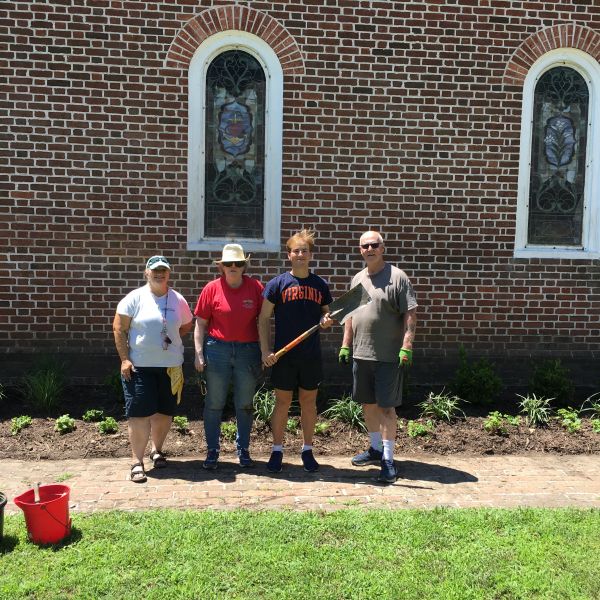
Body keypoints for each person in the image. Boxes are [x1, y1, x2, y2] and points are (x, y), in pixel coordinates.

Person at [339, 231, 417, 483]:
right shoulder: (358, 279)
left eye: (375, 244)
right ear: (360, 250)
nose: (370, 249)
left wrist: (407, 345)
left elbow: (410, 315)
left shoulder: (397, 277)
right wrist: (345, 345)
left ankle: (388, 459)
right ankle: (374, 448)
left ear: (382, 248)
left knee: (386, 408)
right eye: (365, 246)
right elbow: (349, 315)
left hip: (387, 356)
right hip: (361, 354)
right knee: (368, 404)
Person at [113, 255, 193, 483]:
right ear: (146, 272)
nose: (159, 274)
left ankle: (157, 450)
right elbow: (119, 329)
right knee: (138, 415)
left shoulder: (178, 300)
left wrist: (170, 343)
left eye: (163, 270)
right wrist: (124, 359)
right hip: (139, 367)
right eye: (155, 270)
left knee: (164, 413)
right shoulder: (134, 298)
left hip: (171, 368)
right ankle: (137, 461)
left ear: (169, 273)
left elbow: (186, 325)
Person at [259, 229, 333, 473]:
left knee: (308, 403)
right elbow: (263, 318)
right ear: (288, 254)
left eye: (305, 250)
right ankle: (277, 450)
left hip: (310, 356)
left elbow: (327, 314)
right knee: (282, 403)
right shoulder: (277, 284)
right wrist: (265, 350)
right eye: (296, 250)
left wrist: (327, 320)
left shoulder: (320, 285)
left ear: (310, 255)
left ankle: (307, 449)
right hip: (284, 356)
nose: (301, 254)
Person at [193, 244, 264, 469]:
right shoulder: (211, 288)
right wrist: (198, 354)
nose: (233, 267)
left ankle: (243, 450)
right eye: (228, 264)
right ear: (221, 266)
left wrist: (265, 350)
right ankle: (213, 450)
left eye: (238, 263)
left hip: (247, 351)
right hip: (217, 348)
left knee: (244, 403)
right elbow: (200, 324)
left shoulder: (255, 288)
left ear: (244, 266)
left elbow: (263, 322)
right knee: (214, 403)